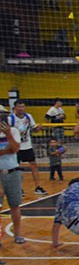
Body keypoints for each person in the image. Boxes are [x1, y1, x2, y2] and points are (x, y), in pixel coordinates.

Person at [10, 100, 46, 195]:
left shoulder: (28, 117)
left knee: (33, 164)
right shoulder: (11, 118)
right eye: (19, 106)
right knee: (16, 168)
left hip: (27, 145)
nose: (21, 109)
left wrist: (38, 128)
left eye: (23, 106)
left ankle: (38, 186)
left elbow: (33, 129)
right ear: (15, 108)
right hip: (16, 146)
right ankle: (19, 188)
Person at [0, 105, 25, 244]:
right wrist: (6, 150)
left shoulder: (13, 131)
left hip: (12, 172)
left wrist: (8, 134)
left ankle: (17, 234)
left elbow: (15, 149)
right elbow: (10, 150)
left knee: (15, 205)